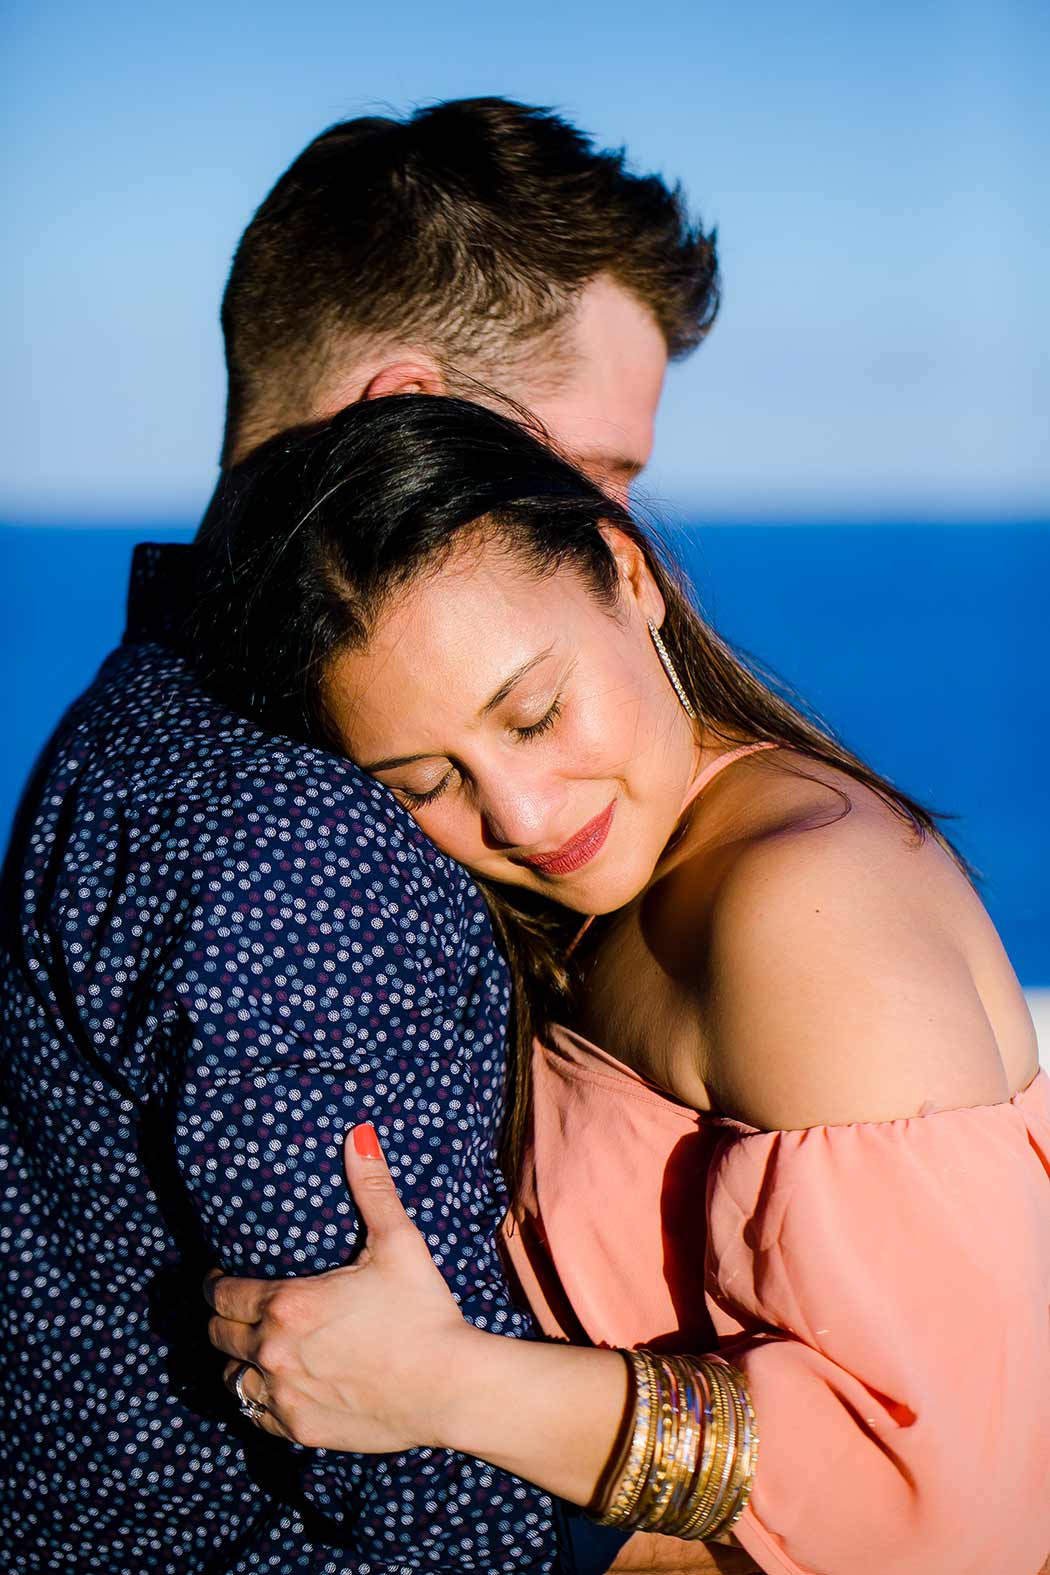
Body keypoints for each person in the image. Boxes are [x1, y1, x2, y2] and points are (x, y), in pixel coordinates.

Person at [0, 99, 721, 1574]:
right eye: (592, 473)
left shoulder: (173, 728)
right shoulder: (296, 832)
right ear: (403, 415)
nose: (619, 533)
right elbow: (457, 1512)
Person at [196, 393, 1050, 1575]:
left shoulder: (808, 913)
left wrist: (450, 1385)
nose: (523, 817)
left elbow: (954, 1509)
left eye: (537, 713)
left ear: (628, 575)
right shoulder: (632, 879)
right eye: (425, 782)